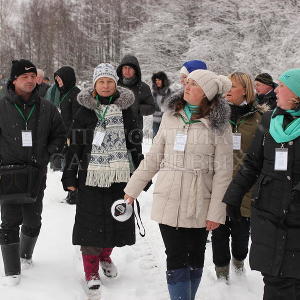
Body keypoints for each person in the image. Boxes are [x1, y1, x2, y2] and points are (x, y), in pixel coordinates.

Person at [124, 69, 233, 300]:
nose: (187, 87)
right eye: (188, 82)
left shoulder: (220, 126)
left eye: (194, 84)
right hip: (169, 197)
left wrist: (216, 211)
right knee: (175, 256)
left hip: (200, 200)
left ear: (206, 93)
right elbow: (154, 156)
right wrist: (132, 189)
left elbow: (224, 172)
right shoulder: (170, 117)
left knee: (195, 255)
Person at [61, 63, 144, 291]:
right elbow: (74, 147)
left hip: (119, 177)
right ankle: (91, 272)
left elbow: (134, 144)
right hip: (90, 177)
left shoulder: (127, 111)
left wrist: (142, 173)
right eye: (101, 82)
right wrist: (69, 176)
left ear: (115, 84)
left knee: (116, 220)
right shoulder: (84, 111)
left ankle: (105, 256)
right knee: (90, 225)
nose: (106, 86)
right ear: (95, 86)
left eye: (109, 81)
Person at [223, 69, 300, 300]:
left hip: (296, 217)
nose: (276, 90)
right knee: (273, 278)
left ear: (296, 93)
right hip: (268, 212)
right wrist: (233, 196)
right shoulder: (269, 121)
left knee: (293, 278)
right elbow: (252, 163)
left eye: (282, 87)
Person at [0, 59, 65, 285]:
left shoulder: (47, 107)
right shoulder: (1, 106)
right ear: (14, 80)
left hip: (36, 173)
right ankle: (12, 271)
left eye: (32, 76)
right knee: (9, 221)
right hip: (7, 174)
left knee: (33, 218)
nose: (29, 80)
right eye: (24, 77)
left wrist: (48, 153)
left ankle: (25, 257)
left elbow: (59, 134)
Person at [211, 72, 265, 281]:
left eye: (232, 86)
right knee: (219, 230)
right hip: (220, 181)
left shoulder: (259, 118)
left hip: (246, 185)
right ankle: (221, 271)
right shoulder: (216, 114)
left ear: (245, 89)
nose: (227, 91)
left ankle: (239, 260)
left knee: (242, 233)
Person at [151, 71, 171, 137]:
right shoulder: (154, 93)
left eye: (159, 80)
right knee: (156, 141)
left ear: (163, 80)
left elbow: (170, 107)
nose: (157, 82)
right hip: (155, 121)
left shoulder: (169, 92)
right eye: (156, 80)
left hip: (166, 121)